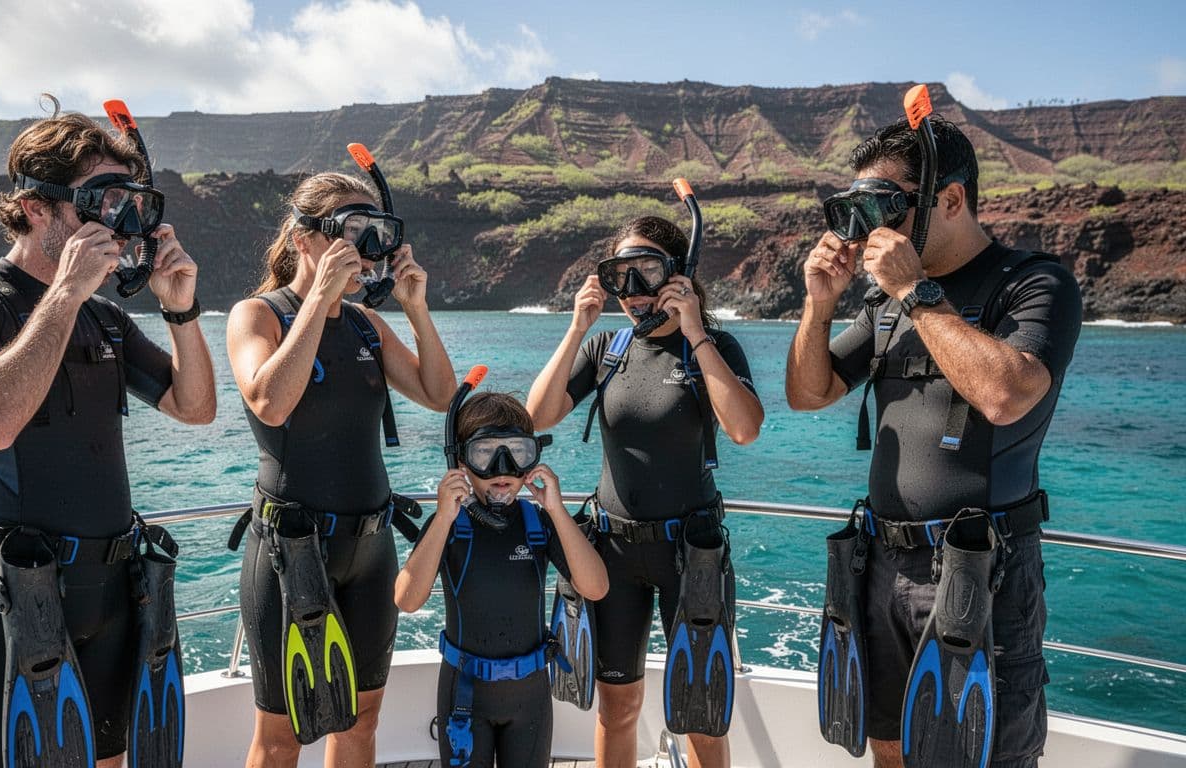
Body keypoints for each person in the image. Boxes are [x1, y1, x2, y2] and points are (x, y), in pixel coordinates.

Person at [0, 108, 216, 768]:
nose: (119, 222)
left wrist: (180, 308)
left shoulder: (105, 318)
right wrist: (64, 294)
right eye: (102, 203)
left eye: (128, 202)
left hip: (114, 590)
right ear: (35, 207)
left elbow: (195, 408)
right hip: (18, 599)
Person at [785, 114, 1081, 768]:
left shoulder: (1033, 284)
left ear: (950, 200)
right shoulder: (885, 307)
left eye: (882, 208)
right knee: (887, 742)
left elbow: (1006, 395)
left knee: (980, 754)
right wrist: (819, 303)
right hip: (881, 565)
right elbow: (809, 392)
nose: (867, 232)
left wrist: (917, 291)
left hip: (981, 571)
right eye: (854, 211)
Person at [225, 170, 456, 767]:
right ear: (305, 239)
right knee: (282, 735)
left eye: (375, 231)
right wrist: (318, 300)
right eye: (352, 231)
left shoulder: (366, 326)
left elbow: (439, 392)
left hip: (370, 548)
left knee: (361, 718)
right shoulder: (258, 316)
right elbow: (270, 401)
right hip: (290, 554)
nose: (366, 247)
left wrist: (416, 309)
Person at [527, 215, 764, 768]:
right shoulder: (607, 350)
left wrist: (696, 332)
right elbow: (536, 417)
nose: (633, 293)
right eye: (620, 276)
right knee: (618, 706)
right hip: (613, 551)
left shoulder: (713, 346)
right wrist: (577, 327)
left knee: (701, 711)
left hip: (691, 555)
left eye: (648, 272)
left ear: (677, 275)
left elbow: (745, 429)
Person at [395, 391, 608, 768]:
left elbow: (595, 586)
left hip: (530, 699)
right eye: (485, 453)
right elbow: (407, 600)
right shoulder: (450, 524)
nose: (502, 469)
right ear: (462, 461)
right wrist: (443, 517)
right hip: (464, 696)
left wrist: (556, 510)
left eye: (517, 453)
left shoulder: (537, 522)